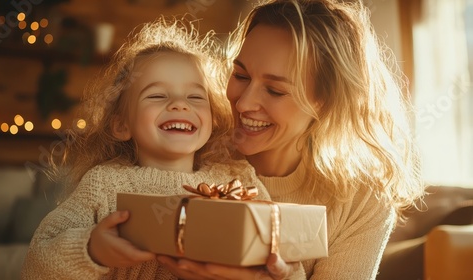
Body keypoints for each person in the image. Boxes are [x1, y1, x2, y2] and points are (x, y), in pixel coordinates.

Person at [158, 0, 425, 279]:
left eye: (274, 91)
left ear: (325, 101)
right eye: (241, 75)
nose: (244, 103)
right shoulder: (188, 150)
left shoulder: (361, 200)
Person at [20, 18, 276, 280]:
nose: (179, 104)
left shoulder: (236, 182)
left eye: (195, 97)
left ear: (214, 117)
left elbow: (284, 257)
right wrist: (91, 249)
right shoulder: (104, 184)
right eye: (157, 95)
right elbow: (37, 264)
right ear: (121, 125)